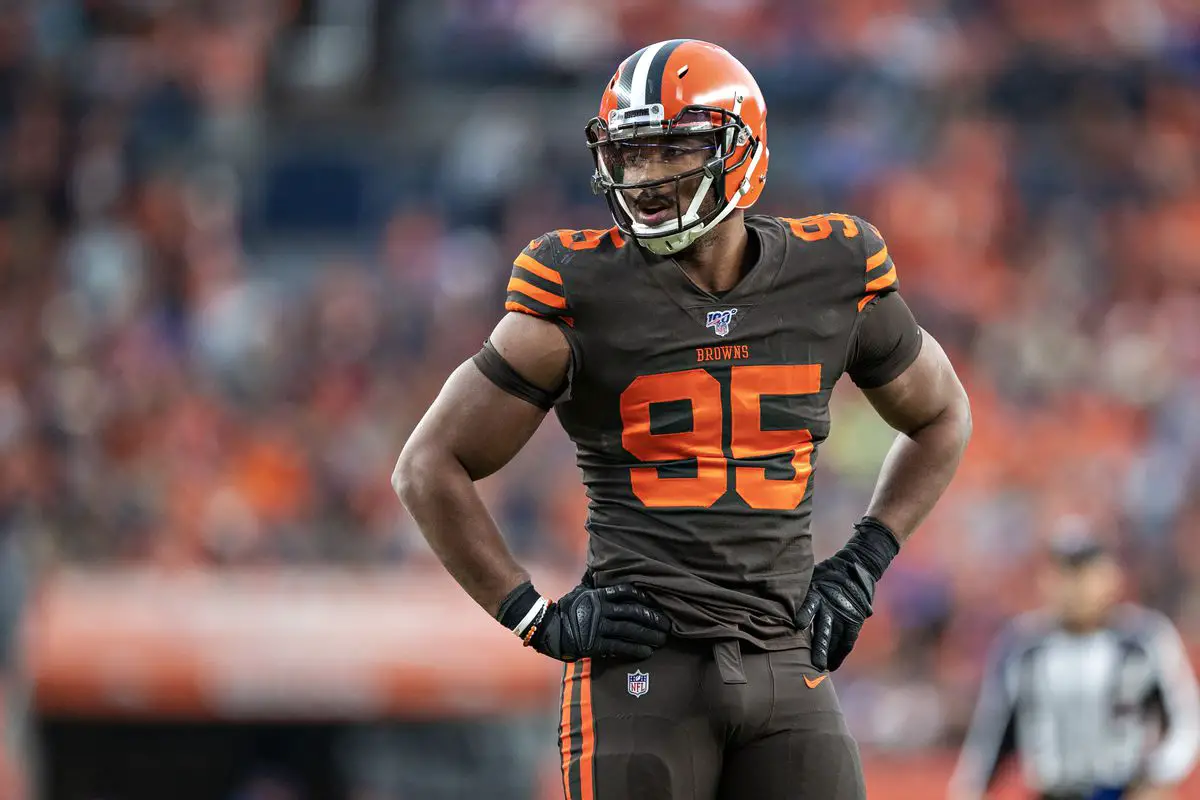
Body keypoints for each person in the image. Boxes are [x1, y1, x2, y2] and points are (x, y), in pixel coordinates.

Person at [394, 39, 971, 799]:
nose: (647, 178)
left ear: (743, 149)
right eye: (631, 156)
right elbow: (426, 466)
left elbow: (941, 415)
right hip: (643, 669)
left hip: (784, 655)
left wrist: (863, 562)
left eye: (673, 150)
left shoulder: (832, 271)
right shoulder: (580, 288)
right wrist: (533, 615)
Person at [949, 525, 1200, 800]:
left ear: (1111, 577)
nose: (1076, 587)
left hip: (1124, 789)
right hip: (1054, 791)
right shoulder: (1023, 647)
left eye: (1085, 573)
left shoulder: (1144, 639)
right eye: (1065, 574)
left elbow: (1186, 720)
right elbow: (991, 735)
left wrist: (1159, 775)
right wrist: (969, 790)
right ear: (1045, 581)